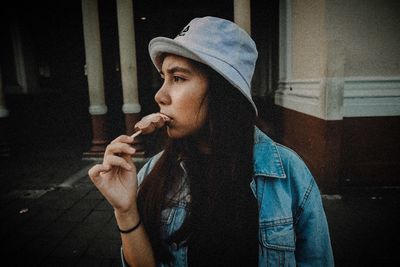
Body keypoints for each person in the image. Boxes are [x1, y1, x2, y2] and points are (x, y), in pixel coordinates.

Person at [88, 16, 334, 267]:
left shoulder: (290, 175)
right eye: (163, 77)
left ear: (222, 90)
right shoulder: (152, 174)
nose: (160, 95)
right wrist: (125, 211)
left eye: (178, 78)